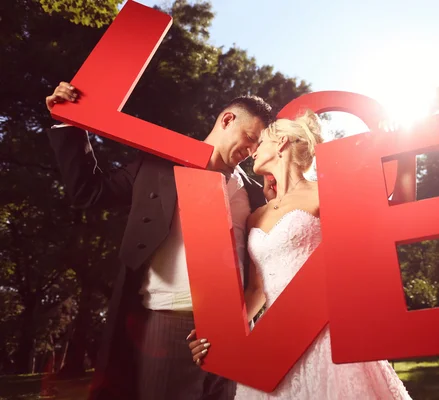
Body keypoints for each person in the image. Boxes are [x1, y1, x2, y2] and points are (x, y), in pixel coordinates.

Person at [45, 82, 273, 400]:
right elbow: (89, 191)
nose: (250, 151)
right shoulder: (157, 165)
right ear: (227, 120)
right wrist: (70, 121)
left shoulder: (253, 192)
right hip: (167, 320)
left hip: (231, 329)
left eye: (257, 144)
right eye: (249, 137)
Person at [187, 110, 413, 399]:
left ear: (281, 142)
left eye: (262, 141)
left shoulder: (325, 193)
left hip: (327, 338)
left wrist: (404, 153)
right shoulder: (257, 215)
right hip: (276, 345)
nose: (253, 150)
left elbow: (399, 210)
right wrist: (218, 332)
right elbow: (257, 289)